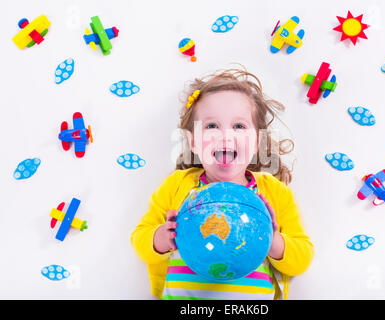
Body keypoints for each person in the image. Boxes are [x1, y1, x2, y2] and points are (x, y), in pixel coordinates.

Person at [131, 67, 313, 300]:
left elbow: (302, 258)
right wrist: (161, 238)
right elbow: (139, 240)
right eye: (212, 126)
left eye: (239, 126)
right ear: (193, 141)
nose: (225, 136)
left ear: (257, 141)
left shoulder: (273, 192)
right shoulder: (177, 186)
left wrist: (272, 240)